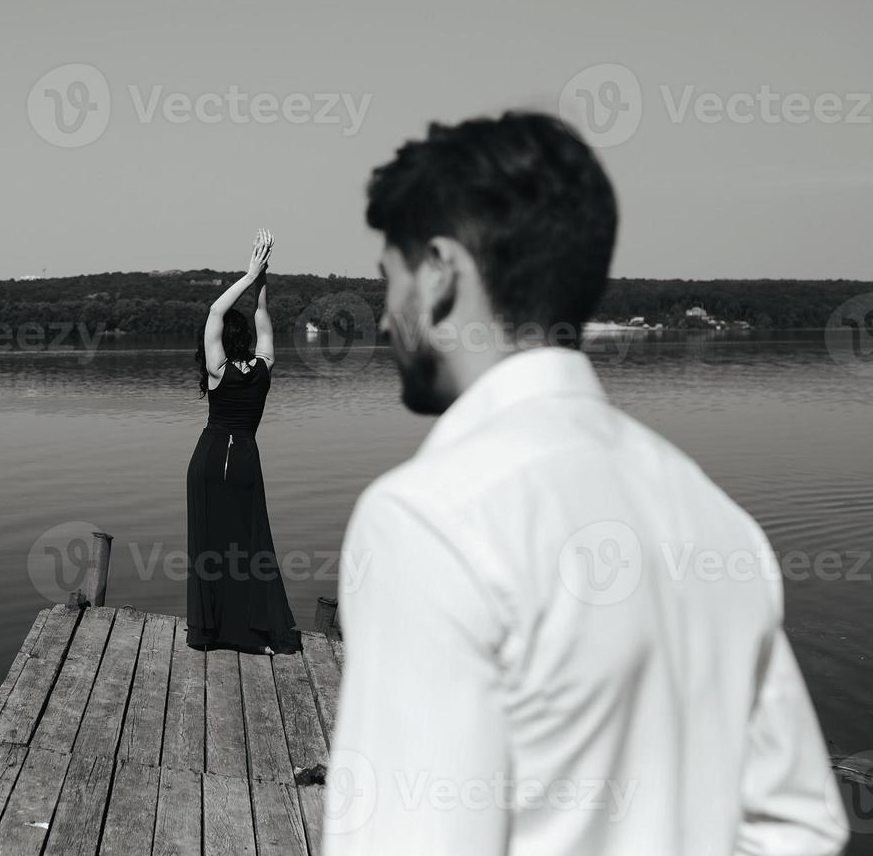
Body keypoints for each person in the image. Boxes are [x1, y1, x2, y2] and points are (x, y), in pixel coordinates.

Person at [324, 112, 847, 855]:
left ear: (440, 272)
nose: (383, 321)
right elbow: (800, 826)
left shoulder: (429, 518)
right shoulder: (714, 515)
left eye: (390, 281)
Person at [186, 229, 301, 655]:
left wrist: (249, 274)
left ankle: (209, 631)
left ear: (222, 342)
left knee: (209, 545)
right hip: (246, 459)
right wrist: (264, 281)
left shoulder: (217, 371)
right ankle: (254, 634)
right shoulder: (264, 368)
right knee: (248, 546)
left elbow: (216, 310)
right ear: (248, 341)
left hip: (210, 460)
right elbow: (264, 322)